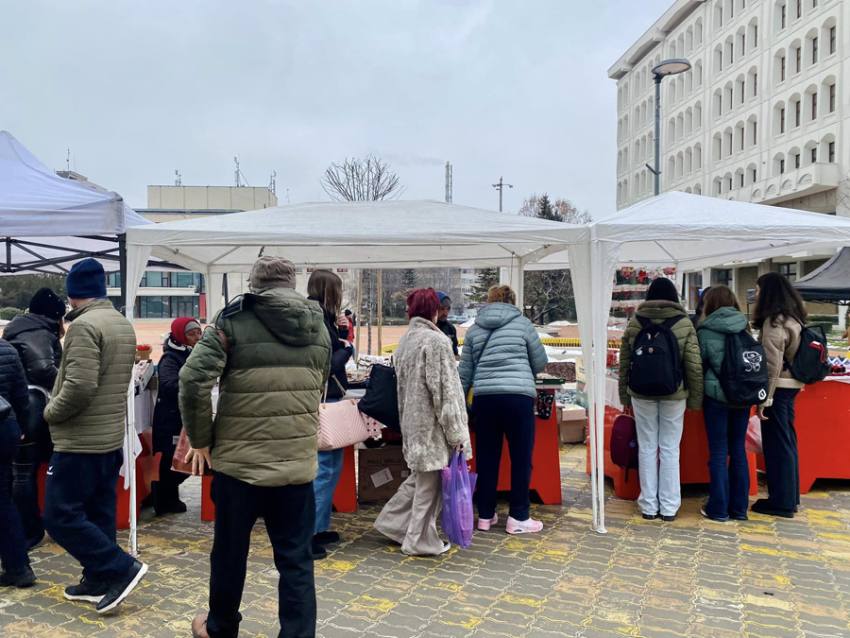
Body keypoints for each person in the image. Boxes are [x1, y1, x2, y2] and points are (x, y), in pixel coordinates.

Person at [180, 256, 330, 638]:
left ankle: (220, 627)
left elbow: (193, 379)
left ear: (254, 284)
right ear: (291, 284)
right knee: (296, 561)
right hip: (295, 467)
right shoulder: (319, 326)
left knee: (230, 554)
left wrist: (201, 440)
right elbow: (321, 384)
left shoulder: (232, 320)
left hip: (239, 466)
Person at [42, 258, 146, 614]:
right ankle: (98, 578)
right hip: (107, 437)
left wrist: (49, 411)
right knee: (99, 512)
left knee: (59, 515)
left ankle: (120, 568)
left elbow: (80, 386)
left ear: (72, 294)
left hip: (79, 438)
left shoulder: (85, 328)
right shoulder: (120, 324)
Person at [374, 288, 470, 556]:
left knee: (419, 479)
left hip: (412, 422)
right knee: (431, 485)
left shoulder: (407, 340)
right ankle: (418, 540)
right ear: (434, 310)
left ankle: (392, 523)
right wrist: (457, 433)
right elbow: (446, 392)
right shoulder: (436, 342)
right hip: (432, 426)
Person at [458, 284, 548, 534]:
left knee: (487, 458)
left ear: (488, 302)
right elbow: (540, 362)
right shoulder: (523, 325)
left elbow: (464, 372)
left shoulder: (475, 329)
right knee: (520, 458)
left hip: (485, 399)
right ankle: (518, 516)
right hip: (517, 398)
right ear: (512, 301)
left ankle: (485, 516)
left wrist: (461, 404)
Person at [618, 277, 703, 522]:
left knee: (646, 447)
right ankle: (669, 506)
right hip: (674, 393)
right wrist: (695, 400)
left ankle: (648, 505)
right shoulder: (684, 322)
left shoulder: (636, 321)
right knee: (669, 448)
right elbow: (693, 365)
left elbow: (625, 362)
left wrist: (625, 394)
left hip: (641, 393)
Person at [3, 287, 66, 548]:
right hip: (32, 406)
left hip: (18, 407)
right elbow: (42, 367)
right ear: (54, 315)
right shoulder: (38, 332)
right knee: (25, 473)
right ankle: (33, 529)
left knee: (21, 473)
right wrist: (66, 385)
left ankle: (27, 527)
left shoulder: (20, 328)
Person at [307, 269, 353, 560]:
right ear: (328, 291)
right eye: (336, 289)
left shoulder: (323, 316)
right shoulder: (316, 318)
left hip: (329, 400)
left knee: (331, 467)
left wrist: (343, 335)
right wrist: (346, 349)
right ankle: (308, 533)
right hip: (323, 400)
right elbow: (325, 363)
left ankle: (319, 526)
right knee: (323, 470)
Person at [751, 272, 806, 518]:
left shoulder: (774, 322)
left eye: (759, 290)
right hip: (791, 385)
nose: (756, 295)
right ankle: (789, 498)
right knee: (787, 442)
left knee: (777, 445)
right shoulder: (794, 317)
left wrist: (766, 398)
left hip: (779, 388)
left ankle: (781, 502)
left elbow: (771, 364)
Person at [696, 285, 751, 522]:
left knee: (718, 452)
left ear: (709, 304)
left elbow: (698, 367)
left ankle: (718, 509)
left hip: (716, 398)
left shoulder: (705, 330)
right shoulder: (745, 327)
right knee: (738, 450)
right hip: (742, 397)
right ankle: (739, 509)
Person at [150, 317, 202, 515]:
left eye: (199, 332)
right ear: (181, 335)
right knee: (171, 461)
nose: (197, 337)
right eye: (191, 333)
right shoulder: (170, 358)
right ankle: (162, 500)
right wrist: (196, 385)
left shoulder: (194, 354)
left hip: (183, 416)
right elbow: (168, 385)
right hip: (170, 419)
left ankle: (169, 499)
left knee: (179, 461)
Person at [0, 338, 35, 588]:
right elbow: (22, 396)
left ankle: (18, 568)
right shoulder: (8, 349)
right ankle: (18, 567)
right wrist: (22, 426)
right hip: (6, 428)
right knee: (3, 500)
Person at [435, 292, 459, 357]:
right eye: (442, 309)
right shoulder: (426, 327)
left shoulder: (451, 328)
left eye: (448, 309)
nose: (445, 313)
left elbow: (455, 352)